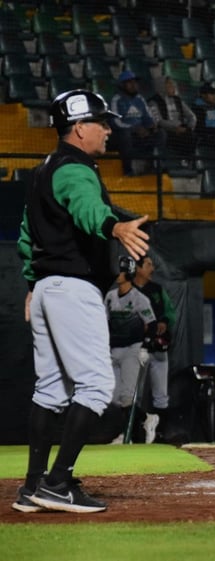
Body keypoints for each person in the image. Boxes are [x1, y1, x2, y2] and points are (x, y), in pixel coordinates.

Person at [14, 89, 150, 514]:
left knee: (51, 389)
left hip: (48, 289)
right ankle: (57, 482)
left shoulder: (43, 170)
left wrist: (33, 283)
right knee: (96, 385)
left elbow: (25, 236)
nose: (108, 129)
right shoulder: (75, 169)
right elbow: (88, 208)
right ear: (79, 128)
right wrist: (115, 226)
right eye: (101, 122)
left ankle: (33, 486)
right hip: (74, 288)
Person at [105, 256, 157, 445]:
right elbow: (105, 322)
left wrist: (145, 346)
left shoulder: (138, 298)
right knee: (114, 397)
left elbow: (151, 324)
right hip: (114, 349)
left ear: (129, 273)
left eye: (121, 271)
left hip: (132, 349)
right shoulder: (110, 296)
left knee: (127, 394)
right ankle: (145, 418)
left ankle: (126, 434)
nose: (117, 275)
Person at [133, 254, 177, 444]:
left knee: (161, 394)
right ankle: (135, 434)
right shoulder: (129, 290)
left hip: (158, 348)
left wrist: (165, 322)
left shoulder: (157, 289)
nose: (152, 269)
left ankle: (161, 434)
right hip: (136, 348)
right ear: (137, 268)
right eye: (148, 265)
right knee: (134, 394)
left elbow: (170, 312)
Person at [109, 70, 165, 175]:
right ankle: (128, 169)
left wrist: (151, 126)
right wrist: (134, 128)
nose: (134, 85)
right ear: (122, 85)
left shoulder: (140, 99)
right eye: (129, 83)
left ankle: (155, 165)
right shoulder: (117, 99)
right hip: (123, 134)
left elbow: (148, 118)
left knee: (160, 133)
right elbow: (115, 122)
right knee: (125, 135)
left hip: (140, 133)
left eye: (135, 82)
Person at [147, 76, 197, 160]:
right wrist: (176, 127)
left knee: (192, 135)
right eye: (169, 85)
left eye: (173, 84)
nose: (173, 87)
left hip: (182, 130)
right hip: (167, 131)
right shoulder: (153, 102)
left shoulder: (177, 100)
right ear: (161, 87)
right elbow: (159, 121)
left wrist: (188, 127)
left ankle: (187, 162)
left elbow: (192, 116)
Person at [192, 82, 215, 153]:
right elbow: (201, 129)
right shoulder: (197, 108)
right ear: (203, 95)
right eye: (212, 94)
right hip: (204, 138)